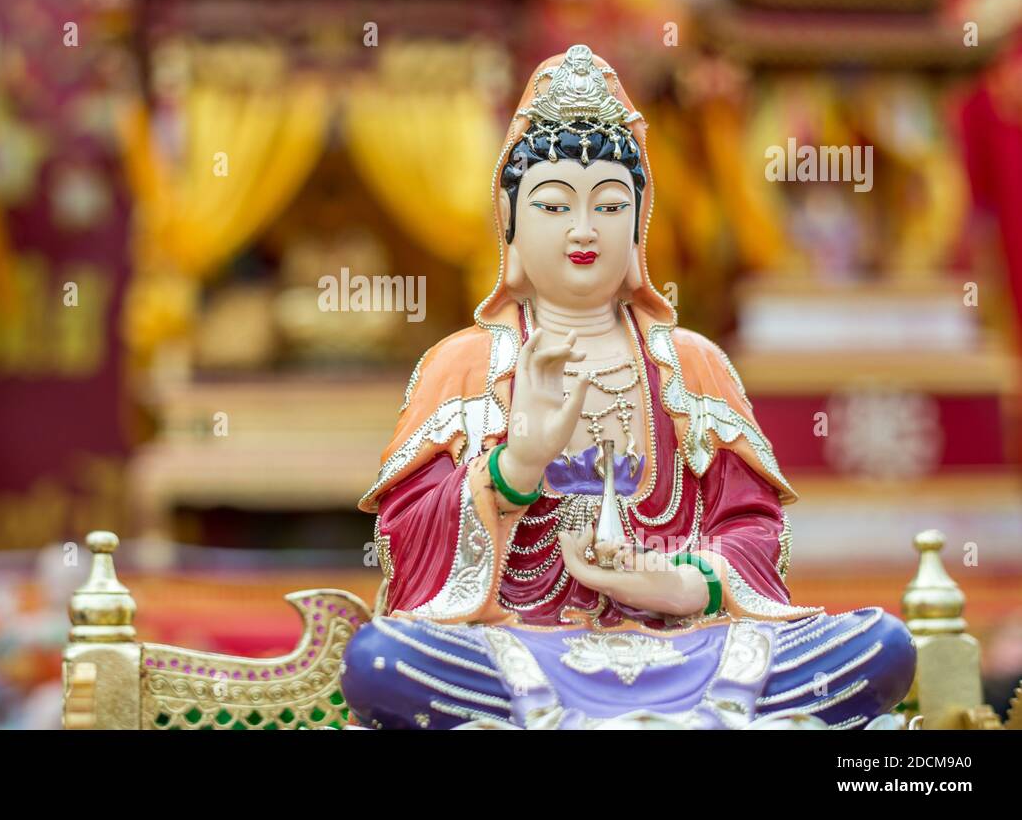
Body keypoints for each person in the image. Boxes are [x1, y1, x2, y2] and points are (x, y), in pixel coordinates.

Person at [340, 44, 916, 730]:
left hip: (689, 647)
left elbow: (755, 531)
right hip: (520, 647)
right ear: (513, 228)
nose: (584, 229)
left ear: (639, 225)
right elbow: (406, 543)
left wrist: (678, 582)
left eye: (609, 206)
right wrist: (515, 464)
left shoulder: (693, 363)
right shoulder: (465, 365)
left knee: (879, 645)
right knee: (380, 660)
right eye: (554, 206)